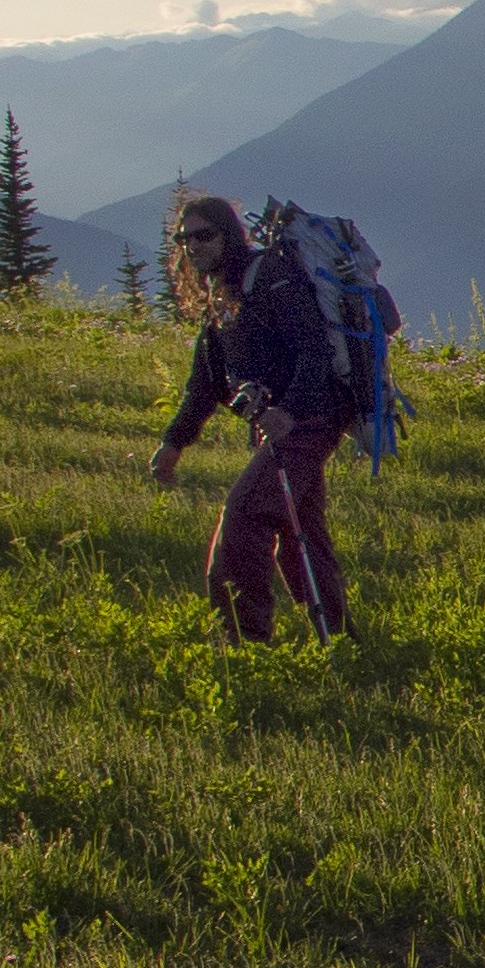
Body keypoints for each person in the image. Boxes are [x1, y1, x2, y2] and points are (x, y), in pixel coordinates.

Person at [146, 193, 352, 642]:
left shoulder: (269, 277)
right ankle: (338, 638)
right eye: (184, 239)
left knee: (244, 516)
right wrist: (173, 443)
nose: (192, 247)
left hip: (306, 421)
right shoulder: (220, 294)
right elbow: (204, 383)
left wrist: (289, 411)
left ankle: (244, 642)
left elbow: (313, 349)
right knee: (301, 533)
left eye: (204, 235)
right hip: (280, 424)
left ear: (229, 235)